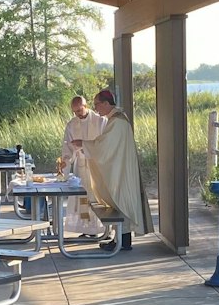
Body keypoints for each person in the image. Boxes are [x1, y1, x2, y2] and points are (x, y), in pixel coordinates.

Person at [85, 89, 153, 250]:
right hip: (120, 166)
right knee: (119, 201)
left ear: (106, 103)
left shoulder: (117, 122)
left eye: (97, 104)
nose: (96, 109)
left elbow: (104, 147)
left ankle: (123, 242)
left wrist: (84, 144)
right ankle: (121, 240)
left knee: (121, 200)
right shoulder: (116, 119)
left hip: (121, 170)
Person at [60, 94, 106, 238]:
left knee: (97, 198)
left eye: (79, 111)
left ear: (85, 106)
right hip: (81, 166)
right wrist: (64, 165)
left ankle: (102, 228)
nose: (77, 114)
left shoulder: (100, 121)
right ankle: (87, 228)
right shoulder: (72, 124)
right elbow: (67, 148)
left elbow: (104, 144)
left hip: (97, 167)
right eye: (74, 112)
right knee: (83, 200)